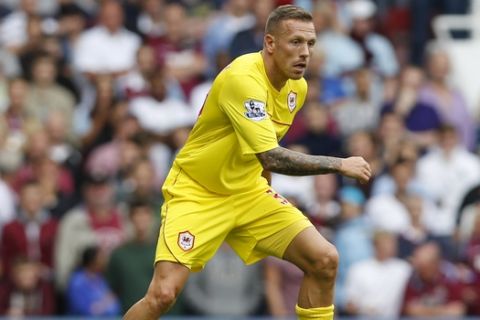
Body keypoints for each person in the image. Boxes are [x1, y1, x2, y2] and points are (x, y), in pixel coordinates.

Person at [123, 5, 371, 320]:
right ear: (270, 43)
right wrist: (338, 165)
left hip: (248, 192)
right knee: (162, 295)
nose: (305, 53)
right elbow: (270, 154)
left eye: (310, 44)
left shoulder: (298, 88)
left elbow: (263, 146)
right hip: (199, 192)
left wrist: (265, 192)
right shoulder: (242, 78)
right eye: (295, 42)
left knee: (324, 259)